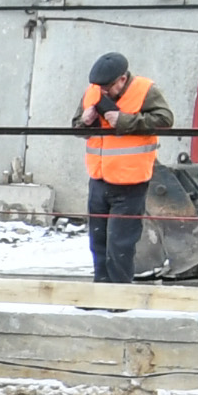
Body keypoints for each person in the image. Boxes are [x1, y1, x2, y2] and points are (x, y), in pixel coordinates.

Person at [70, 52, 171, 284]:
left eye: (108, 87)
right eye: (100, 88)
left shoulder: (146, 90)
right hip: (99, 179)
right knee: (98, 241)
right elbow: (76, 128)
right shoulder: (93, 92)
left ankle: (120, 295)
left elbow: (165, 119)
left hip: (130, 181)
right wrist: (85, 122)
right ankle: (102, 290)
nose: (103, 92)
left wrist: (126, 121)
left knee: (120, 243)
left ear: (122, 79)